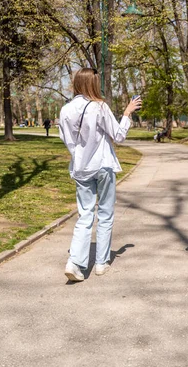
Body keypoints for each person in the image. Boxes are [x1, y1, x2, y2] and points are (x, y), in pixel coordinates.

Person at [59, 68, 142, 282]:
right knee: (105, 214)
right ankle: (101, 262)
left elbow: (67, 140)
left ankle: (75, 262)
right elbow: (119, 135)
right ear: (93, 83)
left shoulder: (65, 110)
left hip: (81, 168)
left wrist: (79, 156)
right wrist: (126, 113)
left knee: (84, 215)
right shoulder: (99, 107)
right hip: (103, 165)